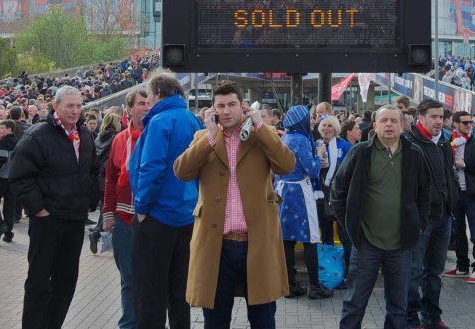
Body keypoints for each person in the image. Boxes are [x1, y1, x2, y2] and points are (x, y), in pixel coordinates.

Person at [173, 80, 297, 329]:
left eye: (232, 104)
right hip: (216, 245)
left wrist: (261, 128)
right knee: (215, 320)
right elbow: (181, 171)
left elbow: (287, 165)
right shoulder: (203, 137)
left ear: (243, 107)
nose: (226, 111)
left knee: (263, 319)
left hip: (256, 242)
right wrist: (208, 137)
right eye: (220, 105)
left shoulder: (262, 134)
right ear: (213, 109)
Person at [9, 85, 99, 329]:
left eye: (79, 106)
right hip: (48, 220)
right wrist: (39, 210)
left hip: (74, 219)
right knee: (39, 281)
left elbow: (92, 171)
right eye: (69, 106)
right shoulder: (37, 135)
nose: (75, 111)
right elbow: (19, 176)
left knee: (66, 281)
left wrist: (90, 199)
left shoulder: (85, 135)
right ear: (55, 107)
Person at [332, 105, 430, 329]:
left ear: (402, 126)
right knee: (355, 303)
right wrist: (351, 227)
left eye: (393, 121)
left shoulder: (414, 154)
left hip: (401, 245)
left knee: (398, 307)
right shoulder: (360, 153)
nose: (388, 125)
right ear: (374, 125)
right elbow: (338, 192)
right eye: (384, 120)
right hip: (366, 243)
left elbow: (425, 195)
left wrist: (418, 225)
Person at [128, 72, 202, 329]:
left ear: (158, 93)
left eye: (148, 97)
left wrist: (141, 208)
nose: (147, 103)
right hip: (186, 215)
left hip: (157, 217)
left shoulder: (159, 122)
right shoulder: (193, 120)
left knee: (149, 291)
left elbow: (151, 168)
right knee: (179, 290)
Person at [101, 86, 151, 329]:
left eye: (149, 103)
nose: (146, 108)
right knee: (128, 278)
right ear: (129, 109)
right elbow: (110, 179)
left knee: (151, 278)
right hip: (123, 219)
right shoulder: (119, 140)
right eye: (141, 103)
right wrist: (108, 214)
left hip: (153, 220)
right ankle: (129, 324)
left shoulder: (158, 135)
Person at [404, 99, 455, 329]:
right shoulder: (409, 143)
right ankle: (410, 318)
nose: (439, 121)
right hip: (421, 219)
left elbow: (448, 177)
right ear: (420, 117)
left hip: (444, 216)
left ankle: (432, 317)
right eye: (434, 117)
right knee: (413, 272)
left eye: (441, 117)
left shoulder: (444, 142)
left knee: (434, 272)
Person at [275, 105, 331, 299]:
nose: (313, 121)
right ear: (300, 121)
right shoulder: (301, 140)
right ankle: (314, 286)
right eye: (309, 118)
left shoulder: (286, 138)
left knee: (287, 240)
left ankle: (290, 285)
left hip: (283, 190)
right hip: (300, 191)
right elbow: (313, 170)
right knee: (310, 238)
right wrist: (320, 153)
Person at [444, 109, 475, 282]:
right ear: (456, 124)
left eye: (470, 122)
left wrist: (465, 165)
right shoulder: (449, 143)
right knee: (459, 232)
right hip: (456, 194)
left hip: (473, 194)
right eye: (465, 122)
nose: (469, 125)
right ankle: (462, 266)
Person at [315, 114, 352, 281]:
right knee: (327, 236)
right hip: (321, 196)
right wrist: (318, 163)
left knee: (345, 236)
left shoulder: (345, 146)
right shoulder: (315, 146)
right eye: (323, 125)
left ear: (336, 129)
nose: (326, 129)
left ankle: (350, 274)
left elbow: (350, 170)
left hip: (341, 198)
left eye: (330, 126)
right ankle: (330, 272)